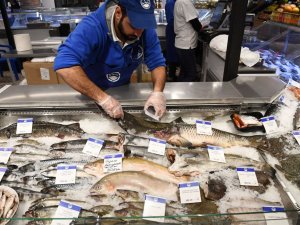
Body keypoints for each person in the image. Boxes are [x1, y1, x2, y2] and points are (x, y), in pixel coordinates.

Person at [54, 0, 167, 119]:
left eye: (143, 27)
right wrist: (103, 99)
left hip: (123, 92)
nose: (138, 33)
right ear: (118, 13)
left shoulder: (144, 30)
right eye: (134, 25)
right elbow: (64, 65)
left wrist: (157, 92)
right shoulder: (92, 27)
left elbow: (157, 63)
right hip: (91, 96)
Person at [174, 0, 202, 82]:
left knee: (184, 72)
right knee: (191, 74)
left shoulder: (178, 1)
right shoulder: (185, 2)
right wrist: (201, 27)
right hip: (186, 44)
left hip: (181, 42)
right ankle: (186, 93)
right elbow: (195, 24)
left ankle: (179, 91)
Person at [165, 0, 179, 82]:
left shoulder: (174, 2)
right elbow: (171, 20)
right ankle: (171, 75)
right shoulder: (171, 3)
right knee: (172, 52)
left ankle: (172, 73)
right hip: (172, 30)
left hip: (174, 29)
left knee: (173, 52)